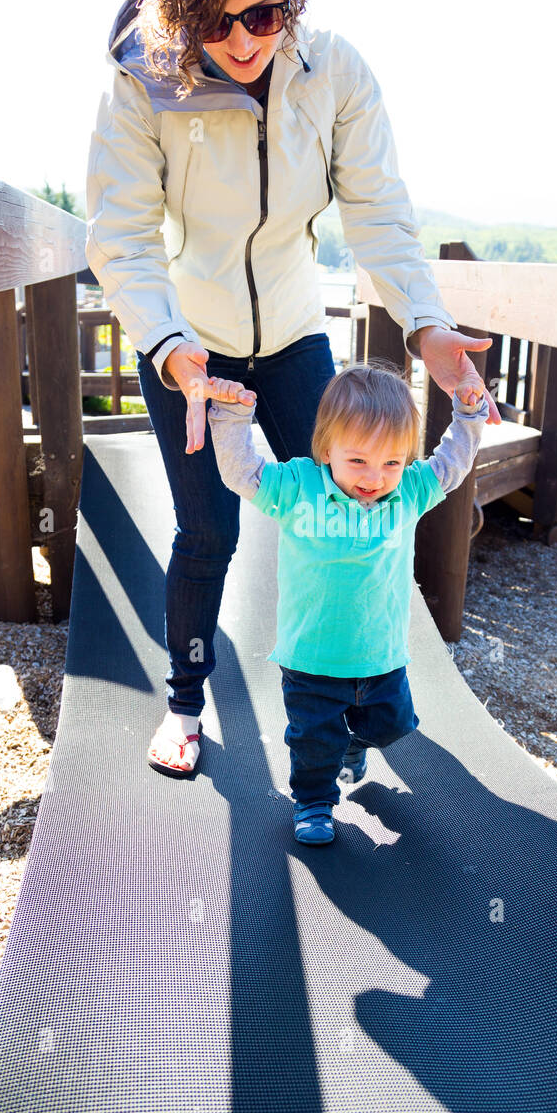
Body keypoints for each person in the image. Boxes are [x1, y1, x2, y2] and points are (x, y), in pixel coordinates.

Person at [84, 0, 499, 777]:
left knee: (358, 506)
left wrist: (427, 325)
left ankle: (357, 688)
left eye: (263, 16)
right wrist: (170, 349)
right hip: (191, 345)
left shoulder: (335, 74)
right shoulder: (143, 81)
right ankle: (185, 701)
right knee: (208, 532)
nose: (240, 41)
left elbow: (379, 212)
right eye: (214, 20)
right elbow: (121, 234)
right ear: (179, 8)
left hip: (298, 337)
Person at [201, 360, 492, 842]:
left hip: (380, 657)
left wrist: (469, 414)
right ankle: (313, 804)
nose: (375, 476)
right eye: (358, 460)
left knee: (393, 727)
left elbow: (452, 465)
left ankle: (355, 741)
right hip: (311, 659)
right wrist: (233, 418)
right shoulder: (298, 489)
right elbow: (242, 473)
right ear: (326, 448)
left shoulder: (410, 493)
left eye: (392, 462)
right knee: (313, 742)